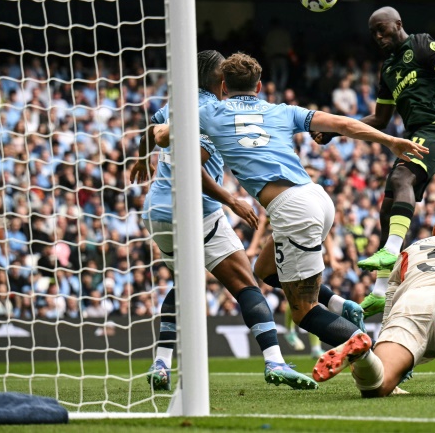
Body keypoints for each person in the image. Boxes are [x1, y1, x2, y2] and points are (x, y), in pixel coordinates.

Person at [157, 52, 428, 376]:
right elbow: (342, 123)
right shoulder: (280, 110)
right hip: (318, 199)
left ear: (224, 86)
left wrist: (156, 137)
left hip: (292, 211)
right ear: (259, 86)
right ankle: (344, 308)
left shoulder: (210, 111)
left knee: (303, 312)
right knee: (264, 269)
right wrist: (389, 140)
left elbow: (164, 134)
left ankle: (365, 346)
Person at [131, 50, 318, 392]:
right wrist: (231, 200)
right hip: (195, 211)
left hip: (156, 212)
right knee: (246, 283)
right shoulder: (214, 111)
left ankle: (160, 362)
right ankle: (275, 360)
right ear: (222, 82)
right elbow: (191, 162)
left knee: (184, 284)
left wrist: (144, 157)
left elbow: (153, 127)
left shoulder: (178, 103)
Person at [314, 6, 435, 317]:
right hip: (412, 136)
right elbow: (381, 119)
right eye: (373, 33)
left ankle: (391, 251)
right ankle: (380, 291)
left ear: (398, 24)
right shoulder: (388, 69)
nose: (378, 37)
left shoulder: (422, 44)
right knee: (387, 205)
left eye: (382, 30)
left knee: (402, 179)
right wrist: (335, 131)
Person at [314, 200, 435, 397]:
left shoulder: (410, 251)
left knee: (376, 386)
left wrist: (383, 343)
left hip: (412, 305)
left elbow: (390, 306)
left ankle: (364, 356)